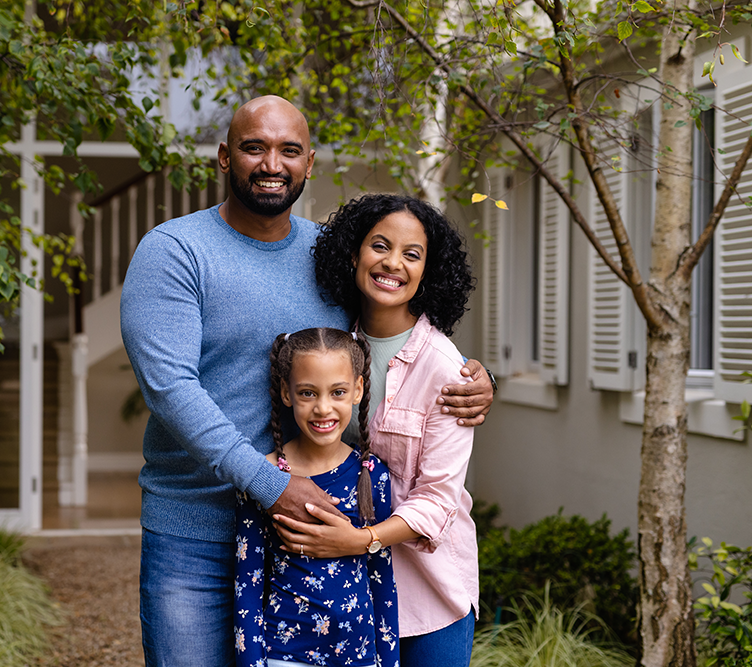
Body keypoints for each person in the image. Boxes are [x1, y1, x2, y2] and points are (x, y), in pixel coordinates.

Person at [120, 96, 492, 667]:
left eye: (289, 150)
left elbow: (387, 332)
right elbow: (170, 387)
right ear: (224, 156)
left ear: (310, 163)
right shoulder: (175, 252)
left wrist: (475, 376)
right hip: (197, 535)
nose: (273, 163)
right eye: (254, 147)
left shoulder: (329, 256)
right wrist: (268, 485)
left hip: (306, 539)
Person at [273, 194, 480, 666]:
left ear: (428, 270)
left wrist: (360, 541)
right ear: (354, 254)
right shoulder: (330, 344)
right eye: (380, 246)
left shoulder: (445, 368)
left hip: (426, 592)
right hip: (336, 593)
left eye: (412, 254)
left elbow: (438, 498)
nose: (393, 263)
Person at [235, 328, 398, 667]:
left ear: (358, 390)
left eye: (337, 392)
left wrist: (389, 661)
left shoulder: (372, 475)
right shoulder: (263, 478)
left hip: (360, 656)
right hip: (286, 655)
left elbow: (382, 579)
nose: (323, 408)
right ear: (286, 392)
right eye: (308, 393)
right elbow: (247, 586)